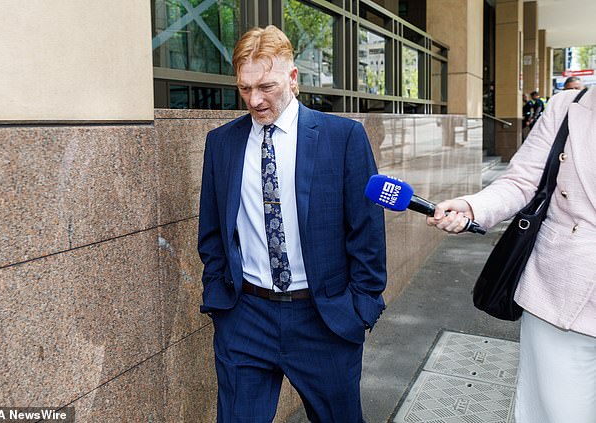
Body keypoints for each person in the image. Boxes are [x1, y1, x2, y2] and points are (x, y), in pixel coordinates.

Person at [197, 25, 387, 422]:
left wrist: (360, 308)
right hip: (245, 316)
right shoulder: (222, 143)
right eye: (245, 88)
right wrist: (220, 299)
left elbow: (367, 231)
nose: (254, 99)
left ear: (293, 78)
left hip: (324, 320)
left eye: (266, 86)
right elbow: (213, 230)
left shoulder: (343, 137)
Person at [426, 87, 595, 423]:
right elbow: (522, 182)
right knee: (558, 414)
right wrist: (473, 207)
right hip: (560, 295)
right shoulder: (569, 105)